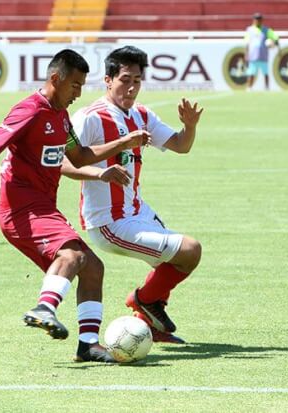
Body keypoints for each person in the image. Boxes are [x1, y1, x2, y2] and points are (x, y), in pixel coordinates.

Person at [0, 49, 150, 363]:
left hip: (44, 208)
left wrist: (122, 146)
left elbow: (80, 156)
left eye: (83, 86)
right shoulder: (30, 110)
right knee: (71, 255)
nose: (78, 93)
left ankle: (88, 345)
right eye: (74, 85)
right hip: (20, 211)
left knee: (93, 267)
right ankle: (44, 307)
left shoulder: (61, 117)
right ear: (56, 78)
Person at [62, 45, 203, 344]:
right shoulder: (90, 117)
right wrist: (101, 172)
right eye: (125, 79)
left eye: (137, 80)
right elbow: (62, 164)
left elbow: (181, 145)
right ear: (109, 79)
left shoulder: (141, 114)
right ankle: (141, 301)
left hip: (137, 211)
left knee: (172, 262)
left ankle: (150, 322)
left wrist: (189, 127)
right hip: (108, 222)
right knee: (190, 250)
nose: (132, 87)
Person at [244, 12, 280, 90]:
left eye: (259, 19)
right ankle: (249, 88)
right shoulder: (249, 30)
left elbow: (275, 37)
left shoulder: (266, 30)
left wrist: (274, 43)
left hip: (263, 55)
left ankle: (267, 88)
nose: (258, 21)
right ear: (253, 20)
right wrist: (246, 54)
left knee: (265, 73)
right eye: (256, 19)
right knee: (251, 73)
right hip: (253, 55)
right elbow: (247, 43)